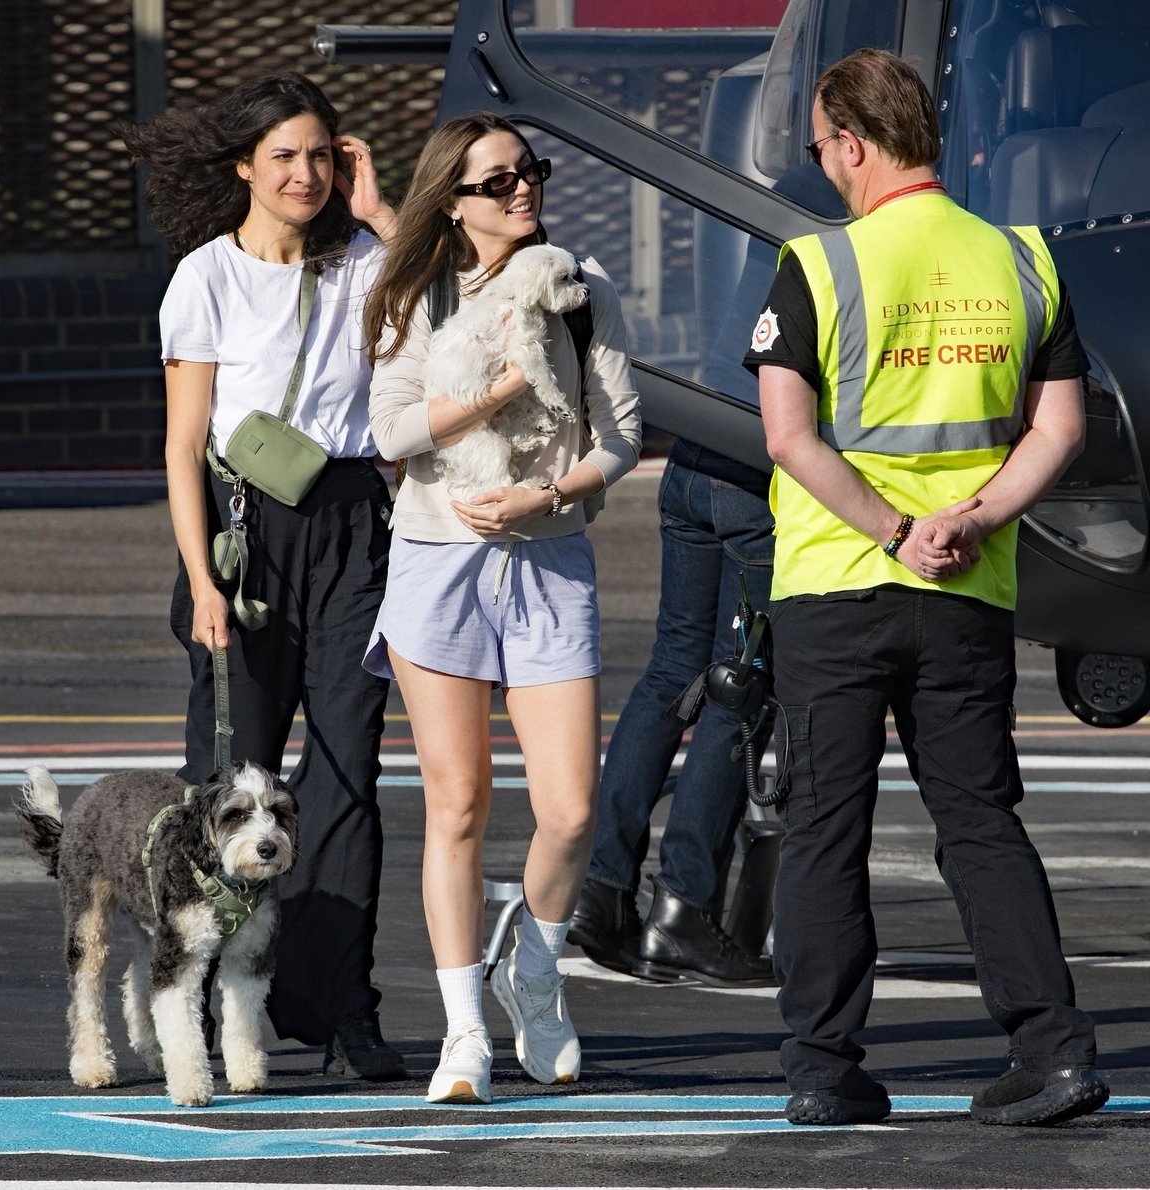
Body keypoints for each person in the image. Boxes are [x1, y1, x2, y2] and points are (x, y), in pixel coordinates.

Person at [746, 48, 1108, 1127]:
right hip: (969, 584)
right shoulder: (1025, 258)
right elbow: (1063, 428)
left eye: (822, 148)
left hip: (836, 580)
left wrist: (895, 529)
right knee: (981, 818)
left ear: (853, 145)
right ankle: (1050, 1048)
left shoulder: (818, 265)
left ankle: (822, 1065)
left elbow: (789, 436)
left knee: (823, 823)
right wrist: (974, 518)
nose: (824, 166)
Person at [123, 71, 405, 1080]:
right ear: (243, 165)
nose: (304, 173)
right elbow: (182, 441)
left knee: (347, 777)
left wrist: (379, 211)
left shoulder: (369, 258)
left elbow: (447, 303)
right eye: (283, 155)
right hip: (243, 538)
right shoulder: (205, 276)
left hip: (354, 527)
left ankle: (337, 1004)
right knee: (232, 781)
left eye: (322, 154)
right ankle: (196, 992)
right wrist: (199, 580)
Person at [362, 112, 642, 1105]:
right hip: (437, 563)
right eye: (500, 179)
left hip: (550, 558)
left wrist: (551, 495)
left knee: (570, 806)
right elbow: (391, 426)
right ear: (453, 197)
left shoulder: (581, 286)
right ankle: (462, 1031)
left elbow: (622, 436)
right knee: (460, 803)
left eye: (531, 171)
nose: (524, 188)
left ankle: (534, 960)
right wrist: (502, 389)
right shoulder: (414, 293)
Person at [568, 437, 777, 988]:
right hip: (757, 480)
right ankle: (684, 905)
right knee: (741, 688)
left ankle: (601, 884)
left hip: (689, 467)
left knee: (673, 669)